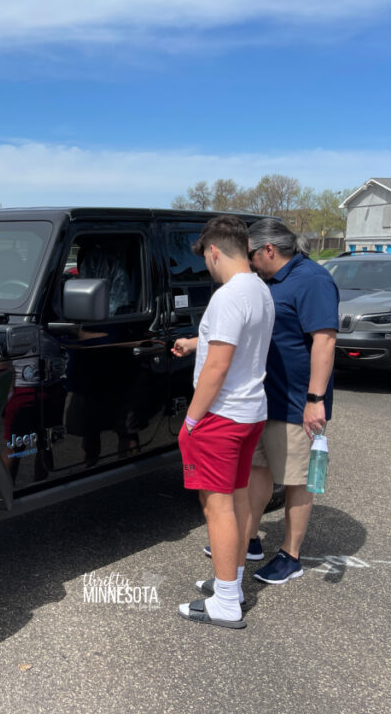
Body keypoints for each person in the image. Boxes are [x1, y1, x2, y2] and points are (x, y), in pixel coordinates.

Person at [172, 216, 274, 629]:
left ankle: (227, 600)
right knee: (232, 499)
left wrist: (191, 420)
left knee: (218, 507)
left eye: (207, 260)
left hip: (221, 416)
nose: (208, 268)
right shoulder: (260, 290)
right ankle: (228, 582)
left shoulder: (229, 295)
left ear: (214, 251)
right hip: (250, 412)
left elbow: (218, 365)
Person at [244, 218, 339, 585]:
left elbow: (325, 341)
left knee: (296, 480)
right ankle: (250, 539)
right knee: (258, 470)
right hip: (265, 398)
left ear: (269, 250)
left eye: (252, 254)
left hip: (298, 401)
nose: (249, 262)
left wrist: (315, 399)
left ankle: (290, 555)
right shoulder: (267, 281)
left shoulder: (312, 280)